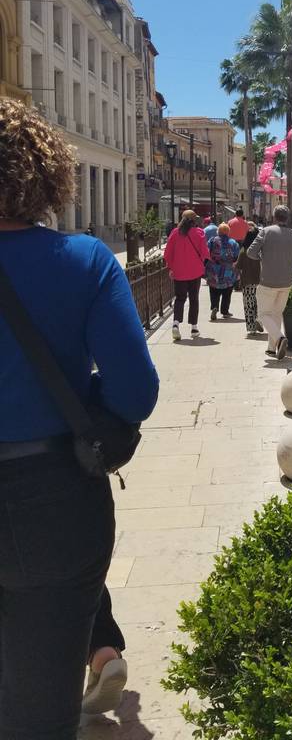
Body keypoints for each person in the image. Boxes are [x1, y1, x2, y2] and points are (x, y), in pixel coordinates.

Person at [0, 97, 159, 738]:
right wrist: (73, 400)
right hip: (55, 501)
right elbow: (135, 392)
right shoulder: (86, 261)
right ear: (46, 176)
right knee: (40, 708)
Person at [247, 204, 292, 359]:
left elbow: (251, 252)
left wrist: (262, 259)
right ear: (287, 218)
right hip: (287, 281)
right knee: (276, 314)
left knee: (263, 314)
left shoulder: (266, 231)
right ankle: (271, 348)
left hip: (268, 280)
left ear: (274, 217)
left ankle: (280, 338)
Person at [164, 210, 209, 341]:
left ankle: (176, 324)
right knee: (194, 299)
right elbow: (205, 252)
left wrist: (171, 268)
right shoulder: (199, 232)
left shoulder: (174, 233)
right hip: (195, 271)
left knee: (180, 298)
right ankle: (194, 327)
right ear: (194, 220)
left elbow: (168, 253)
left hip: (179, 272)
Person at [206, 222, 240, 320]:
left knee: (213, 290)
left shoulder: (212, 241)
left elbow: (206, 252)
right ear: (228, 232)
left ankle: (214, 307)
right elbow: (236, 256)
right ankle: (225, 311)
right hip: (228, 270)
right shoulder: (233, 242)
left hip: (213, 269)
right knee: (227, 291)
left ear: (218, 231)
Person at [237, 221, 263, 335]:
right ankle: (258, 318)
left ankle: (251, 328)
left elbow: (238, 266)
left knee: (248, 305)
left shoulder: (243, 251)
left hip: (247, 281)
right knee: (259, 303)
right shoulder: (261, 251)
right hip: (260, 281)